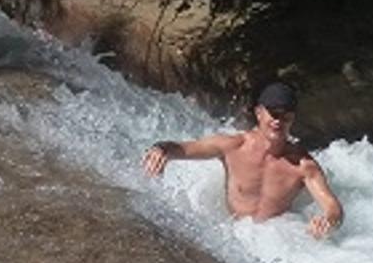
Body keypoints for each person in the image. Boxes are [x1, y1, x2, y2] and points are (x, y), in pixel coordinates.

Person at [142, 82, 344, 239]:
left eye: (286, 116)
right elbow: (185, 149)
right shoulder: (233, 146)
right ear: (259, 113)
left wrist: (328, 221)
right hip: (231, 235)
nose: (278, 121)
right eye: (274, 113)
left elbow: (333, 207)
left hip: (275, 240)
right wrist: (162, 148)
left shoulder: (303, 166)